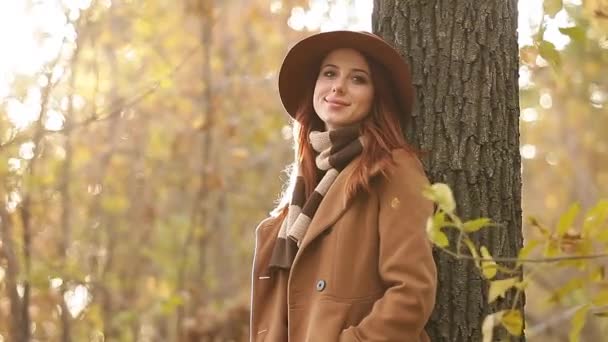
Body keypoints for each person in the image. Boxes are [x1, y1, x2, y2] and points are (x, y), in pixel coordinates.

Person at [249, 30, 437, 342]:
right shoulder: (298, 199)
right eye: (329, 73)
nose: (338, 86)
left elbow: (412, 292)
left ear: (376, 95)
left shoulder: (392, 170)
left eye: (358, 79)